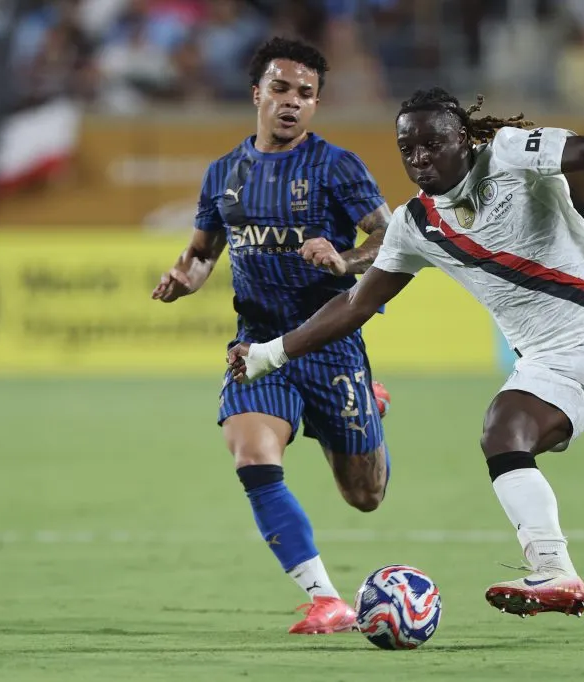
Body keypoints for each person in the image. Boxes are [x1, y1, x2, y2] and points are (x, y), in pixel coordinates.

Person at [226, 88, 584, 618]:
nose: (420, 158)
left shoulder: (508, 154)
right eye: (408, 148)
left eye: (432, 143)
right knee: (502, 432)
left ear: (463, 140)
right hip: (547, 361)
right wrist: (269, 354)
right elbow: (354, 305)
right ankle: (556, 571)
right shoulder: (415, 225)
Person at [151, 37, 393, 634]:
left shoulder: (338, 166)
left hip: (330, 343)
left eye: (305, 94)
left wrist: (343, 260)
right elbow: (202, 254)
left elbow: (389, 243)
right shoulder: (223, 174)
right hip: (257, 348)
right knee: (253, 456)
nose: (292, 102)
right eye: (281, 89)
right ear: (257, 93)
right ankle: (325, 598)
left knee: (364, 496)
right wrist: (186, 277)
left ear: (316, 104)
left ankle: (372, 406)